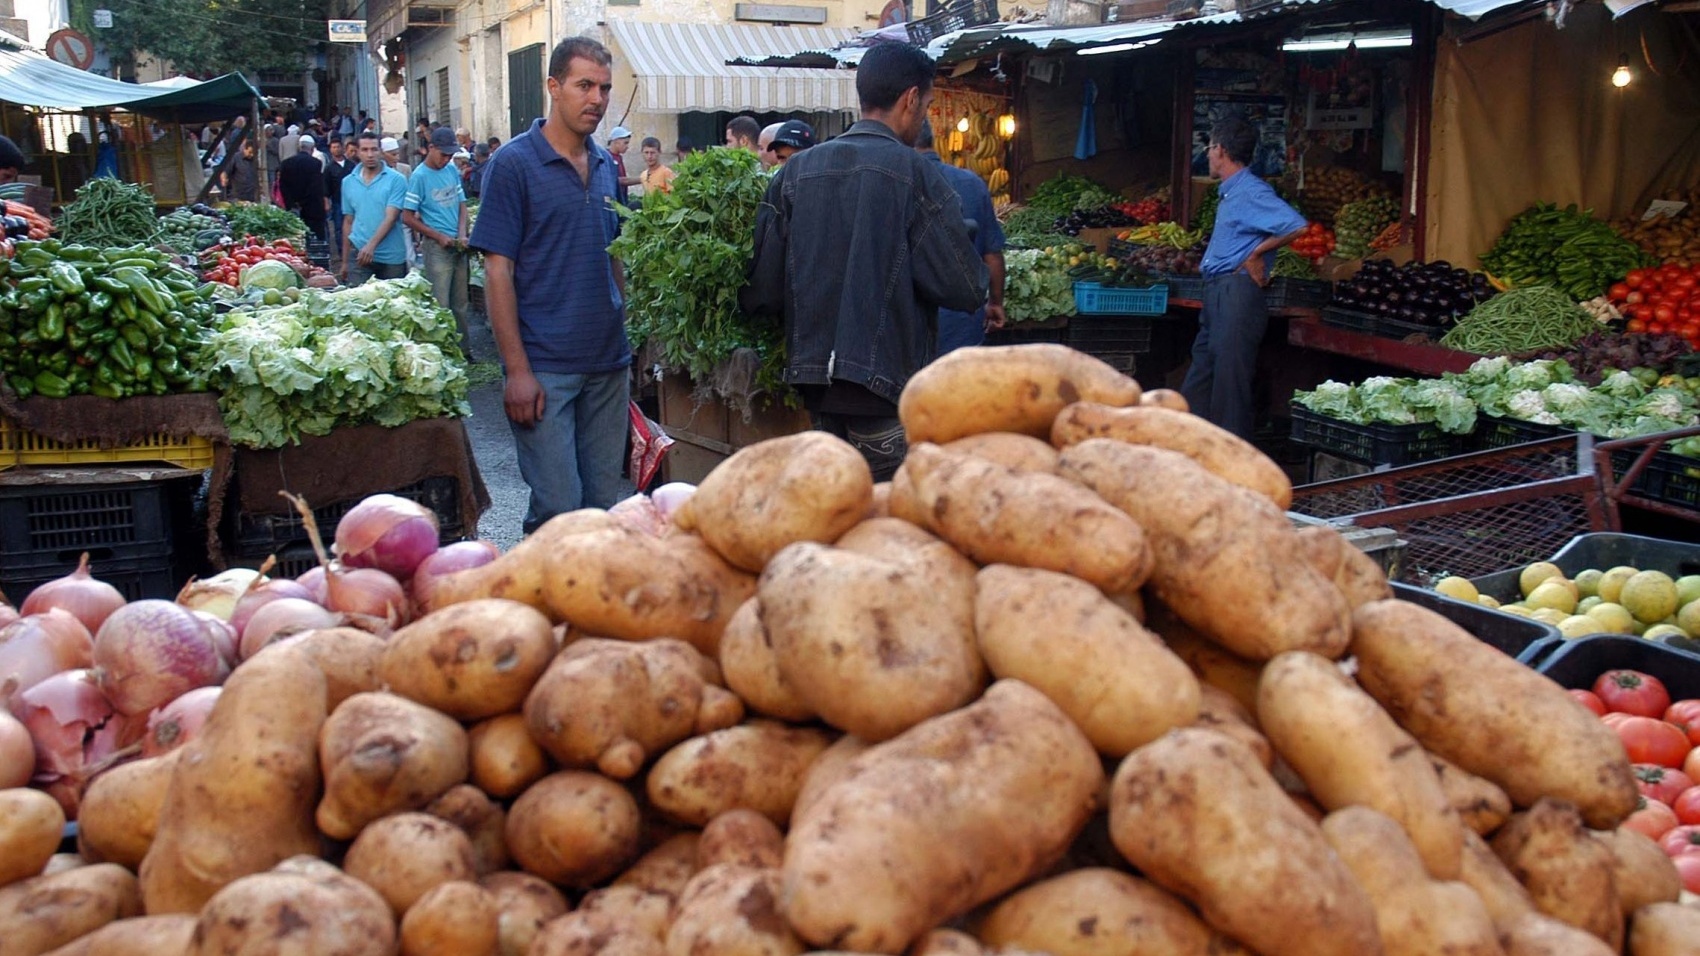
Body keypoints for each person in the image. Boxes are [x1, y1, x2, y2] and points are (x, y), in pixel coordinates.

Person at [741, 42, 986, 480]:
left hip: (815, 389)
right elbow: (965, 288)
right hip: (887, 393)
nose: (925, 114)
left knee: (839, 514)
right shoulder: (916, 173)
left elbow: (763, 291)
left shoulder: (794, 173)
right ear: (911, 99)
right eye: (928, 104)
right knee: (885, 525)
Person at [470, 35, 633, 532]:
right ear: (553, 87)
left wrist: (628, 330)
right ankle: (538, 603)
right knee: (560, 510)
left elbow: (615, 258)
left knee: (603, 507)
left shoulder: (606, 166)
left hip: (607, 364)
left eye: (604, 88)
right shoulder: (513, 164)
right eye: (584, 86)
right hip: (545, 368)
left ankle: (588, 609)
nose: (597, 100)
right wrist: (516, 370)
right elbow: (499, 271)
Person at [1182, 116, 1308, 440]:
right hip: (1217, 293)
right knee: (1200, 380)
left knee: (1229, 388)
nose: (1208, 155)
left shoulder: (1250, 190)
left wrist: (1255, 254)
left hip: (1236, 293)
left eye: (1209, 148)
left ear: (1220, 150)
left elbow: (1296, 225)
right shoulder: (1231, 193)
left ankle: (1235, 468)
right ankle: (1190, 451)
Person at [914, 122, 1005, 353]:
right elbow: (992, 255)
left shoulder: (895, 179)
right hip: (962, 321)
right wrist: (995, 303)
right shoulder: (971, 183)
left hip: (910, 324)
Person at [405, 127, 472, 348]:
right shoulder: (419, 176)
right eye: (443, 154)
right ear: (430, 148)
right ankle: (444, 350)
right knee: (441, 302)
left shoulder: (451, 170)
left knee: (461, 302)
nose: (446, 159)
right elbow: (407, 217)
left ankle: (464, 349)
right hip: (437, 248)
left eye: (450, 155)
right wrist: (438, 236)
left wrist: (462, 233)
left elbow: (462, 205)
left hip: (458, 244)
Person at [340, 131, 410, 285]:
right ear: (357, 152)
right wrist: (345, 261)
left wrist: (370, 246)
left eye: (374, 149)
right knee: (359, 305)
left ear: (381, 152)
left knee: (394, 305)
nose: (370, 154)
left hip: (391, 257)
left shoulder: (397, 180)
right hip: (359, 255)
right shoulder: (348, 182)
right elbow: (348, 221)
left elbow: (391, 217)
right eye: (365, 150)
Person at [278, 136, 330, 241]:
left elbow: (283, 186)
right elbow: (316, 187)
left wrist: (291, 204)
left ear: (299, 147)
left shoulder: (286, 164)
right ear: (312, 149)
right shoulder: (316, 163)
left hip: (292, 207)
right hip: (312, 209)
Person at [325, 136, 354, 264]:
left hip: (353, 202)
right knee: (339, 227)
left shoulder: (351, 165)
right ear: (330, 150)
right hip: (338, 202)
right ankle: (342, 252)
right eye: (333, 147)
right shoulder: (329, 168)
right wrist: (326, 201)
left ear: (343, 148)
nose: (336, 149)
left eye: (338, 147)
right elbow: (325, 187)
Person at [606, 126, 637, 206]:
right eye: (625, 143)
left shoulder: (619, 157)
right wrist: (643, 179)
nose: (627, 146)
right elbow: (618, 180)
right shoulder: (607, 157)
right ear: (616, 142)